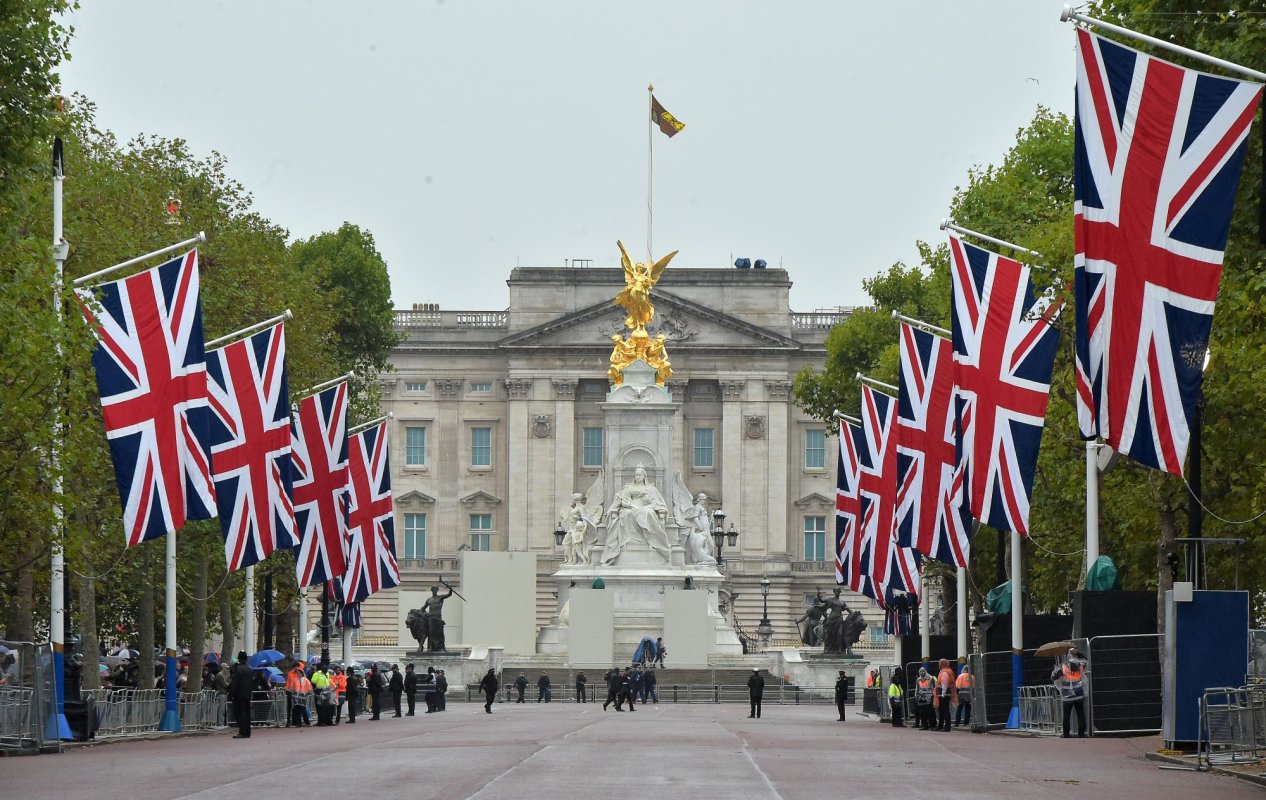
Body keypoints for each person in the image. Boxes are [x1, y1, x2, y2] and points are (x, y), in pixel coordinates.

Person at [603, 464, 673, 563]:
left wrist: (645, 497)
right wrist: (627, 505)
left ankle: (651, 540)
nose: (638, 477)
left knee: (648, 513)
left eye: (640, 475)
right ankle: (627, 541)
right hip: (631, 507)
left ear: (644, 476)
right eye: (636, 475)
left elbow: (656, 502)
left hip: (646, 507)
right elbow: (623, 501)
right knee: (626, 513)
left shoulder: (650, 488)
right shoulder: (629, 487)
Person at [1052, 648, 1089, 738]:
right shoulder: (1080, 665)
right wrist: (1078, 653)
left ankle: (1066, 734)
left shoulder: (1063, 666)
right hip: (1078, 693)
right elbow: (1086, 660)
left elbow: (1053, 677)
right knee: (1080, 714)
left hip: (1067, 695)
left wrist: (1056, 669)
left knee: (1066, 716)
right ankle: (1081, 734)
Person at [227, 651, 254, 739]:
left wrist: (230, 696)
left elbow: (235, 684)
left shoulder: (238, 669)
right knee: (247, 713)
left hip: (239, 695)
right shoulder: (249, 669)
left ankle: (242, 731)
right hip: (247, 694)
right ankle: (247, 731)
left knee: (239, 713)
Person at [934, 658, 957, 732]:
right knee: (942, 710)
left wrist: (943, 694)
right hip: (946, 693)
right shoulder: (948, 671)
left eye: (940, 663)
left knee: (944, 710)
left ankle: (946, 727)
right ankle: (941, 726)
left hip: (944, 694)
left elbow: (944, 684)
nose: (939, 665)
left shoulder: (944, 672)